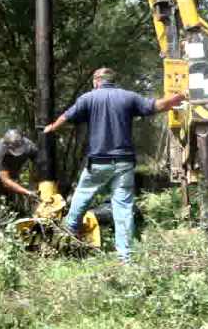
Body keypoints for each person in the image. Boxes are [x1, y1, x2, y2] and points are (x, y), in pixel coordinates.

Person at [44, 67, 184, 262]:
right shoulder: (128, 96)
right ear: (113, 81)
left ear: (96, 81)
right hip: (124, 163)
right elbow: (155, 106)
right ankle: (125, 259)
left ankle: (64, 241)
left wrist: (51, 128)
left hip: (98, 162)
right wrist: (176, 99)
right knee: (123, 208)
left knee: (80, 199)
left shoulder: (88, 98)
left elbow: (66, 117)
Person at [0, 129, 39, 231]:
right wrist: (28, 192)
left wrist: (37, 181)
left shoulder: (28, 145)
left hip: (12, 175)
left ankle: (10, 232)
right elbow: (6, 181)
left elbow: (39, 161)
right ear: (7, 146)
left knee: (12, 206)